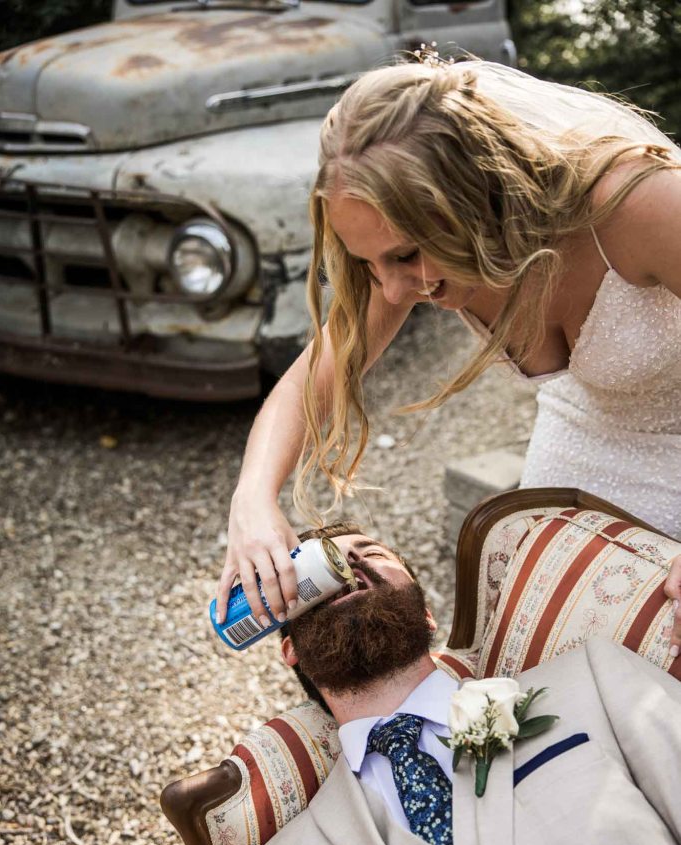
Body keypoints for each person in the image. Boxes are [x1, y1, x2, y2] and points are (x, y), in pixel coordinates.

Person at [215, 57, 681, 654]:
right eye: (367, 263)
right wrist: (252, 499)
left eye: (406, 255)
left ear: (472, 199)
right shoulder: (396, 264)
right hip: (583, 433)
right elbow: (313, 378)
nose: (389, 291)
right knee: (527, 647)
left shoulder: (631, 202)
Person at [241, 522, 681, 845]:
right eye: (312, 572)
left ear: (427, 616)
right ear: (290, 649)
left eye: (369, 553)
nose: (347, 568)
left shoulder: (595, 679)